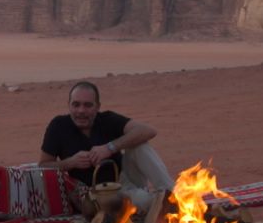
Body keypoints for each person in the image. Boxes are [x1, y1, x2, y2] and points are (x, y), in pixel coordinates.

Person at [38, 81, 174, 211]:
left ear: (98, 106)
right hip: (98, 196)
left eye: (88, 105)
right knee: (146, 201)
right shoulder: (58, 126)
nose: (81, 111)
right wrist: (71, 162)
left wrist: (109, 148)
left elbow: (148, 131)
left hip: (124, 179)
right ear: (69, 105)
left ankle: (172, 194)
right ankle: (159, 202)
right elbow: (43, 165)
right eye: (76, 105)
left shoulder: (107, 119)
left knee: (139, 145)